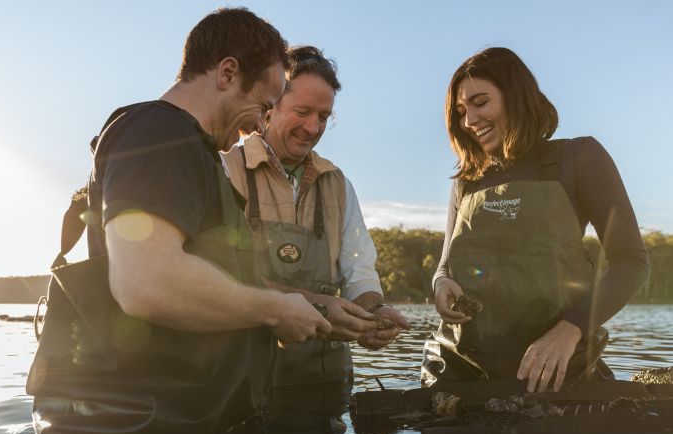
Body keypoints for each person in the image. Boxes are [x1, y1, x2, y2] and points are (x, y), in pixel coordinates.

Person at [25, 7, 332, 434]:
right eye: (263, 106)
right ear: (227, 73)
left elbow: (212, 281)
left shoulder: (194, 153)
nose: (258, 126)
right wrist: (274, 310)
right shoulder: (156, 133)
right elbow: (148, 282)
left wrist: (317, 310)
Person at [423, 47, 649, 393]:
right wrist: (441, 285)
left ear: (516, 97)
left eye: (480, 103)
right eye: (461, 111)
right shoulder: (465, 182)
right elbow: (444, 267)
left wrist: (570, 329)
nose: (469, 121)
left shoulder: (581, 158)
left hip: (557, 372)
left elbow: (631, 262)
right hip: (457, 373)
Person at [222, 46, 410, 389]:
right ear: (270, 107)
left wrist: (375, 312)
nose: (313, 127)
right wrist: (321, 305)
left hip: (322, 384)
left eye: (323, 116)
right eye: (303, 111)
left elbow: (359, 274)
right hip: (239, 380)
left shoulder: (338, 183)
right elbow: (217, 277)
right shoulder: (226, 168)